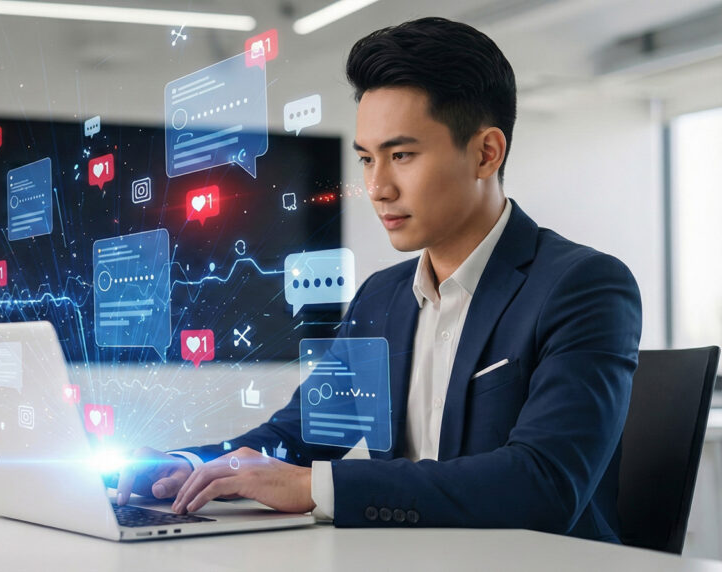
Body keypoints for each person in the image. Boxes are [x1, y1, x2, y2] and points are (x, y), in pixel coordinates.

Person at [116, 16, 641, 542]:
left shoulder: (583, 287)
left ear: (486, 153)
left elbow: (543, 486)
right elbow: (294, 438)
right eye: (367, 159)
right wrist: (186, 464)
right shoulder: (382, 298)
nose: (377, 187)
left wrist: (316, 488)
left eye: (401, 155)